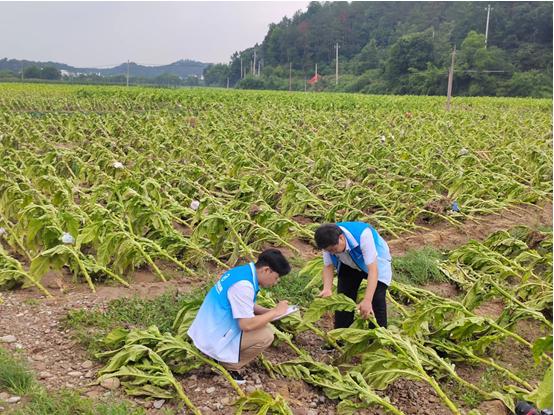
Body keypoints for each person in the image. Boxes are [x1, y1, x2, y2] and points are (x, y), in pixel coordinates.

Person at [188, 248, 291, 384]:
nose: (276, 282)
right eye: (276, 277)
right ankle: (227, 366)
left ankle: (220, 354)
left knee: (262, 323)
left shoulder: (242, 272)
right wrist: (275, 312)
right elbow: (246, 324)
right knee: (266, 335)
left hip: (207, 328)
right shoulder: (244, 286)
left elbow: (246, 305)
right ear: (266, 270)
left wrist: (269, 311)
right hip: (213, 335)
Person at [314, 222, 392, 329]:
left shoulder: (363, 236)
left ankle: (378, 339)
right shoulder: (328, 241)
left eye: (333, 250)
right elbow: (328, 266)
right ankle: (341, 335)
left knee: (376, 300)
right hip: (348, 262)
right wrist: (327, 288)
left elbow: (373, 271)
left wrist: (367, 300)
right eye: (329, 251)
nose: (332, 253)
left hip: (375, 262)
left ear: (341, 238)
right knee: (344, 298)